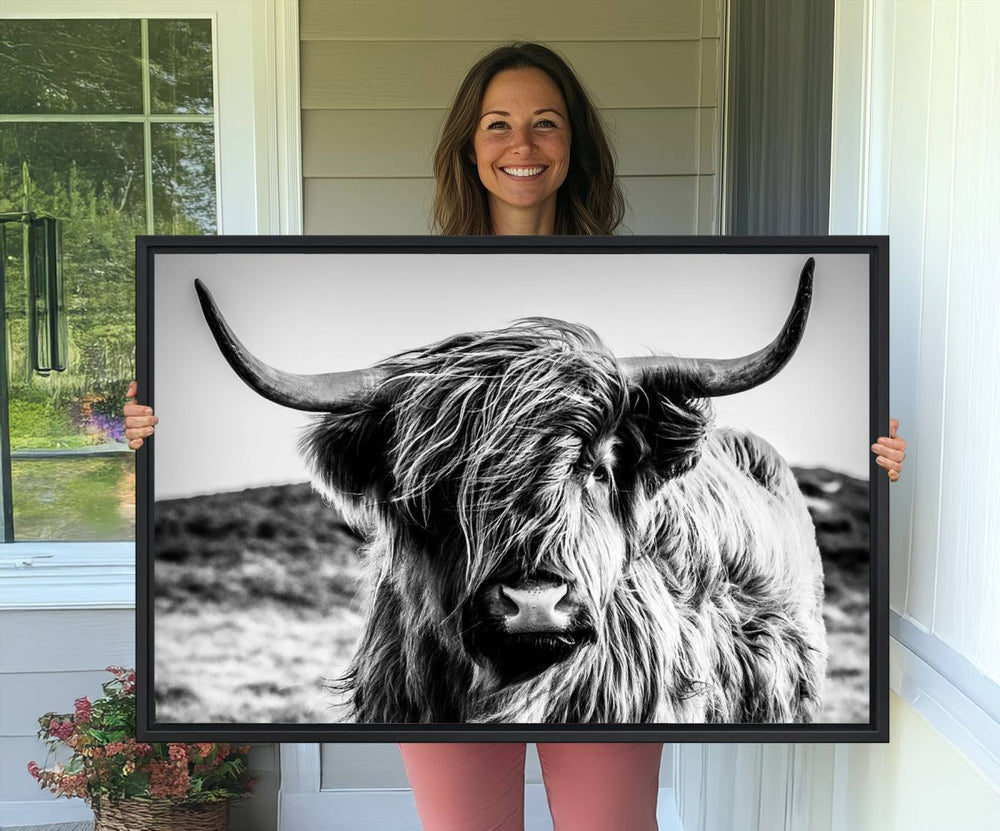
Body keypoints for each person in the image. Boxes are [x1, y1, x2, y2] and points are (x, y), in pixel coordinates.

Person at [124, 42, 907, 831]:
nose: (522, 146)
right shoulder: (394, 261)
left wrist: (883, 458)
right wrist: (148, 429)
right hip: (436, 640)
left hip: (611, 640)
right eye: (498, 124)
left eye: (546, 124)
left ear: (575, 146)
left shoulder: (649, 263)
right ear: (469, 145)